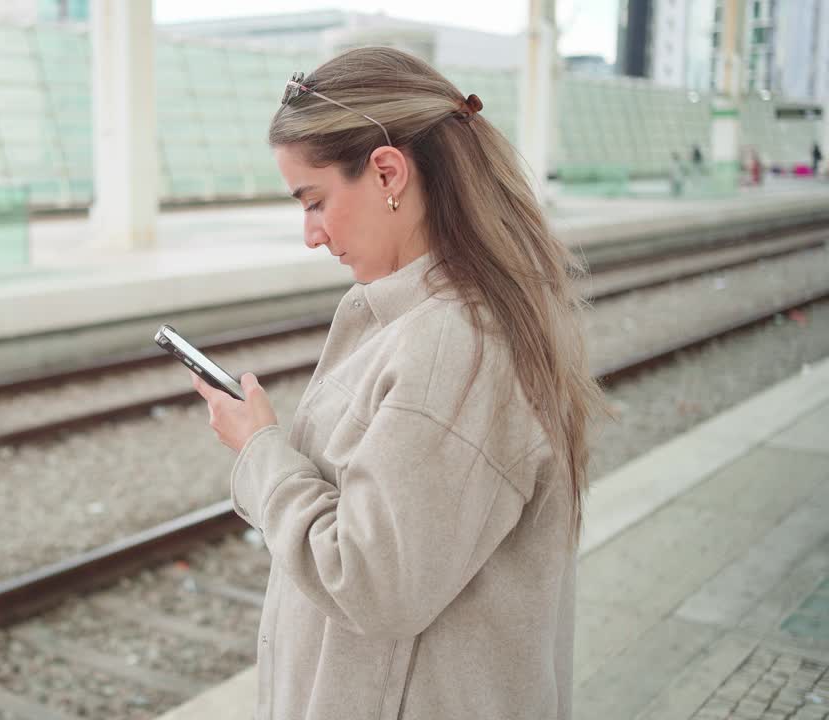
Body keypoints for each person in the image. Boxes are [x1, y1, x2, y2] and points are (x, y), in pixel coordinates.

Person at [189, 47, 604, 720]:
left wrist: (262, 450)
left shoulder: (457, 344)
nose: (311, 235)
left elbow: (373, 582)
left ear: (387, 171)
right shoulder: (435, 316)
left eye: (314, 200)